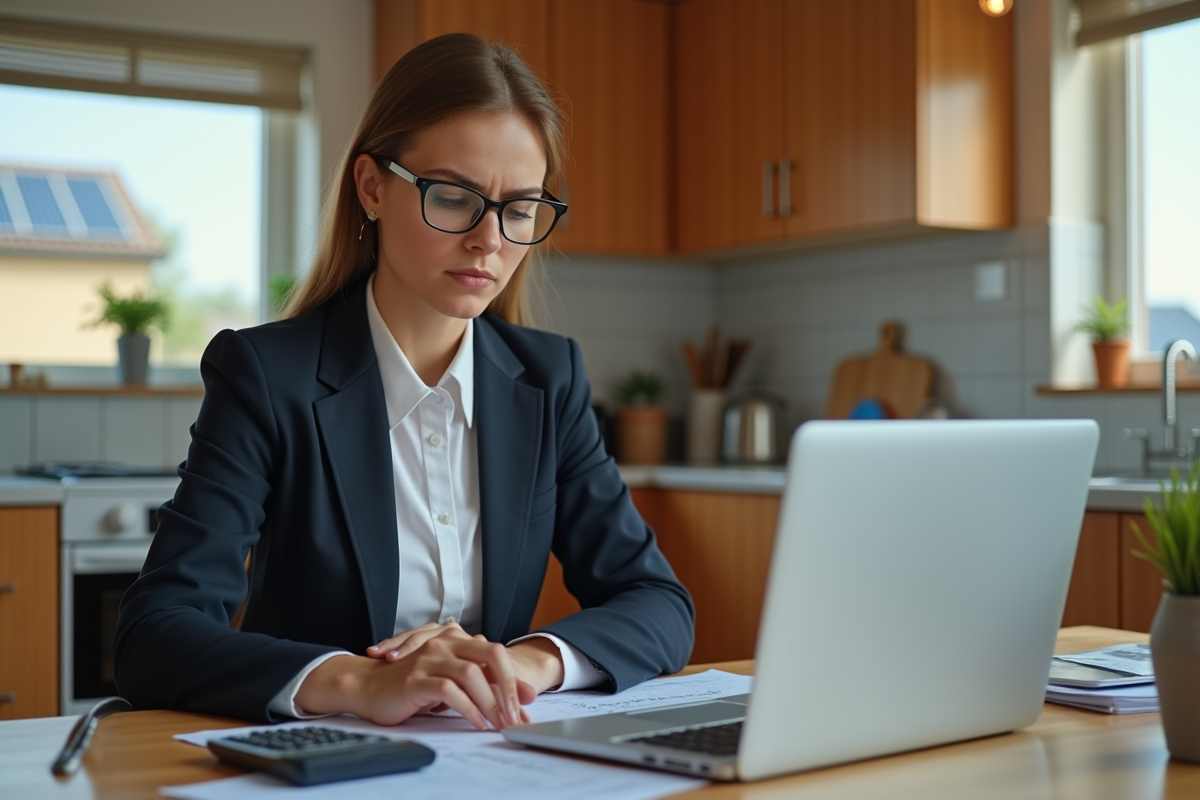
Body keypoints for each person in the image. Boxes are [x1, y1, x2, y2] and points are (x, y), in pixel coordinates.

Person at [114, 33, 694, 729]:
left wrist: (528, 662)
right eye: (454, 198)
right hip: (320, 762)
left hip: (487, 763)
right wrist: (360, 681)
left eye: (518, 209)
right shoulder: (266, 376)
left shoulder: (549, 379)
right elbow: (155, 634)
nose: (489, 240)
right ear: (372, 188)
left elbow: (658, 600)